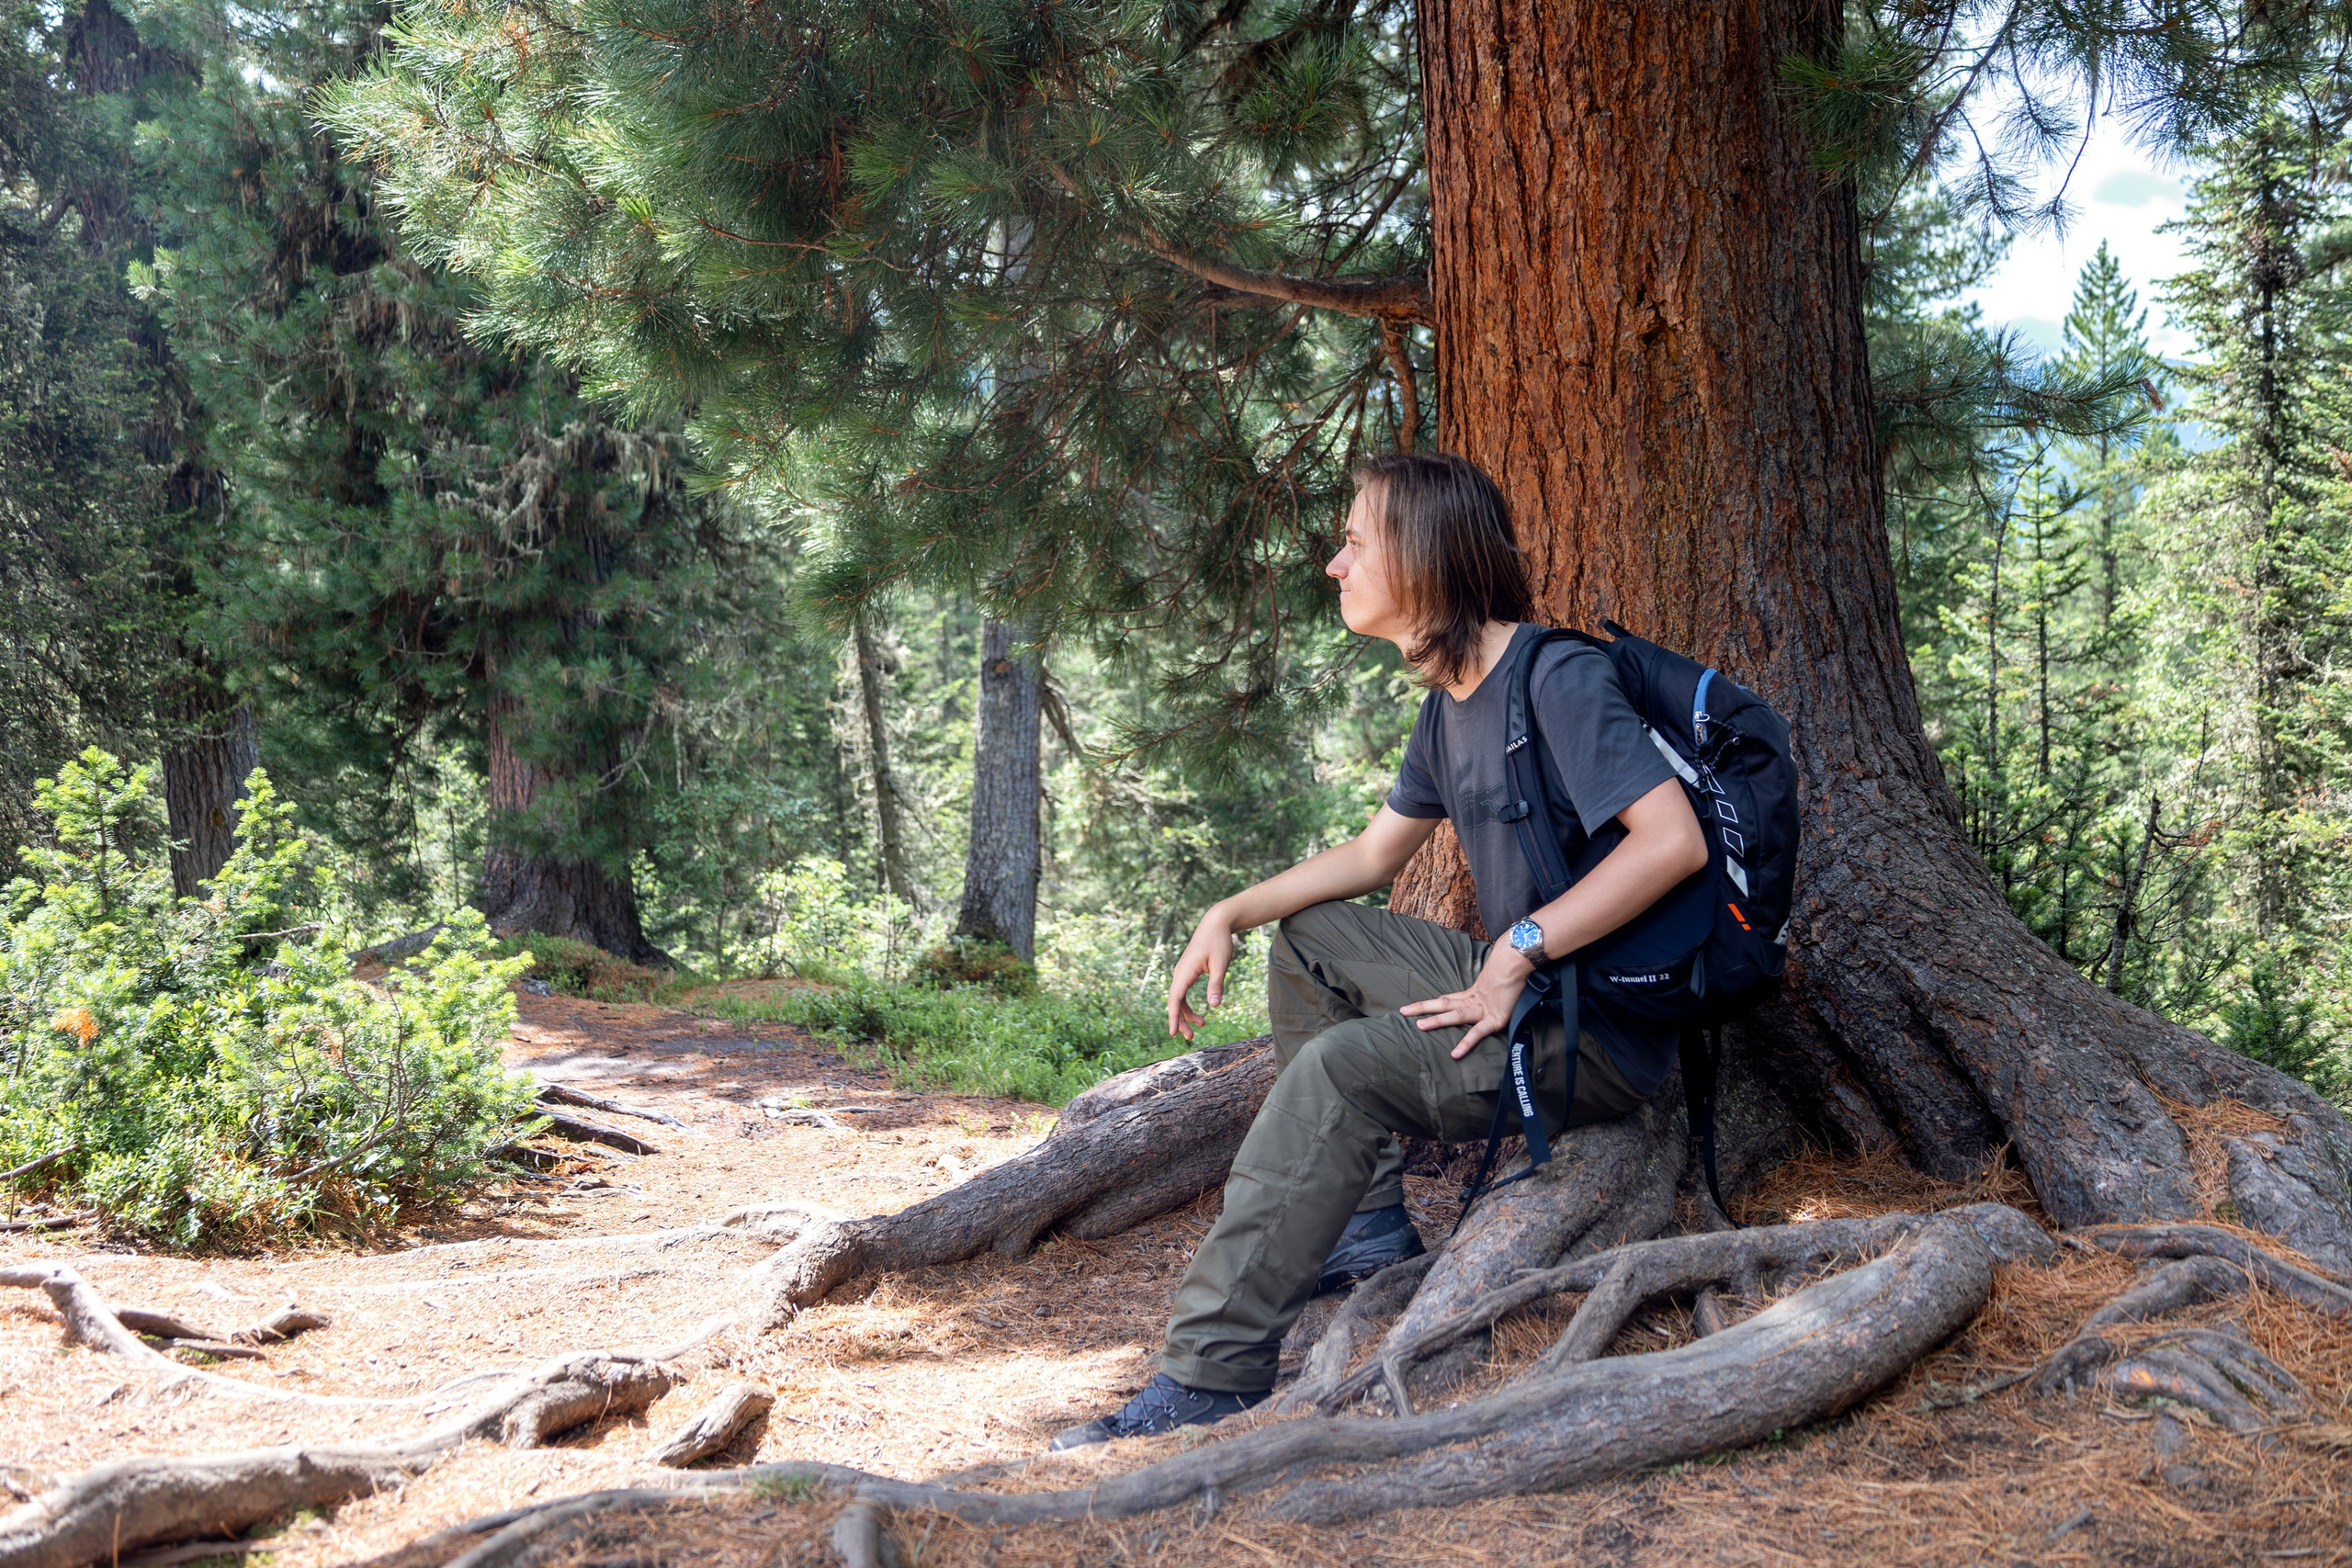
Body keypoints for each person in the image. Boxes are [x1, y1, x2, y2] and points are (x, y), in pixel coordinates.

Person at [1049, 452, 1712, 1450]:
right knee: (1310, 936)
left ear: (1421, 551)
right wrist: (1227, 909)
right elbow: (1370, 855)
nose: (1334, 564)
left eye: (1354, 540)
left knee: (1341, 1073)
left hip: (1597, 1028)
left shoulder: (1558, 677)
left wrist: (1521, 947)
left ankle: (1212, 1373)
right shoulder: (1450, 702)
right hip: (1527, 987)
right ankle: (1361, 1229)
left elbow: (1673, 841)